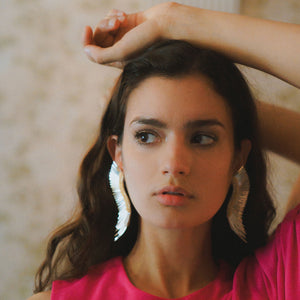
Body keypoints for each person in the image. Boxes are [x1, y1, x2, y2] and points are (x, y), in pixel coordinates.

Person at [28, 2, 300, 299]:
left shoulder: (276, 281)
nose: (174, 163)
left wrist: (173, 20)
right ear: (118, 153)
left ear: (238, 156)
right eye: (146, 136)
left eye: (202, 138)